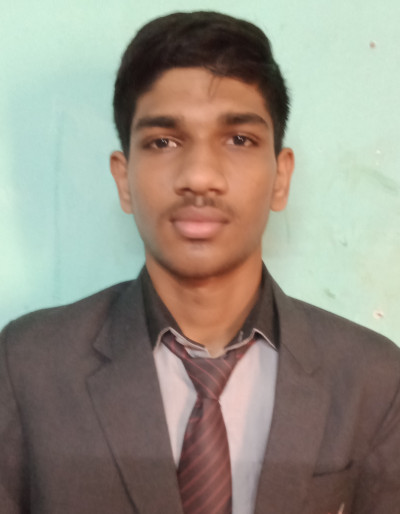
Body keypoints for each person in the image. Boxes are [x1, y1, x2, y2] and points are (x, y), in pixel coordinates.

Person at [0, 11, 399, 514]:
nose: (200, 176)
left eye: (239, 139)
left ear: (281, 178)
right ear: (124, 180)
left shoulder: (373, 379)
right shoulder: (28, 367)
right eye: (163, 142)